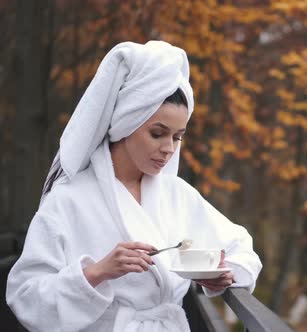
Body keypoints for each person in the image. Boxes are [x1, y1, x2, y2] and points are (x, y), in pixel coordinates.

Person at [6, 41, 262, 331]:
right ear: (125, 124)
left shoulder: (177, 195)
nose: (168, 148)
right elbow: (25, 295)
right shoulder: (69, 199)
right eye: (157, 133)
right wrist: (96, 272)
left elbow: (242, 249)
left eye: (177, 137)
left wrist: (224, 274)